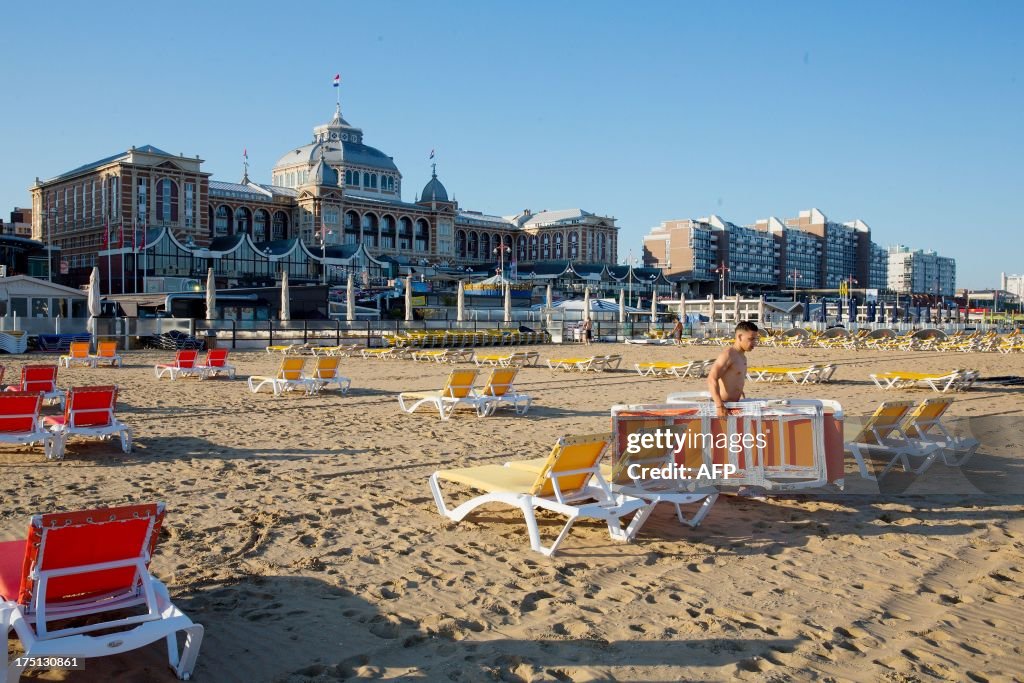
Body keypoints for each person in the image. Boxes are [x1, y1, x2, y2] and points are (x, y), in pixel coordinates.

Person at [707, 321, 758, 417]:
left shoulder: (743, 357)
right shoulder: (728, 354)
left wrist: (738, 389)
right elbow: (711, 379)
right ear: (739, 337)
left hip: (734, 405)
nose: (754, 343)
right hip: (723, 406)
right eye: (751, 339)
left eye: (755, 339)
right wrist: (719, 406)